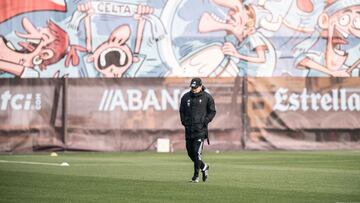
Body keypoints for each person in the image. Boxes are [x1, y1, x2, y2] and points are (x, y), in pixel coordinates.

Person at [179, 77, 216, 183]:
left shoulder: (207, 97)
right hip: (189, 130)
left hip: (200, 130)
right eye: (192, 87)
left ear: (200, 86)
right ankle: (204, 167)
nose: (193, 89)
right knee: (190, 153)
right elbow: (182, 111)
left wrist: (205, 121)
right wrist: (184, 121)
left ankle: (196, 176)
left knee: (196, 152)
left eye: (195, 87)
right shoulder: (185, 97)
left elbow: (212, 111)